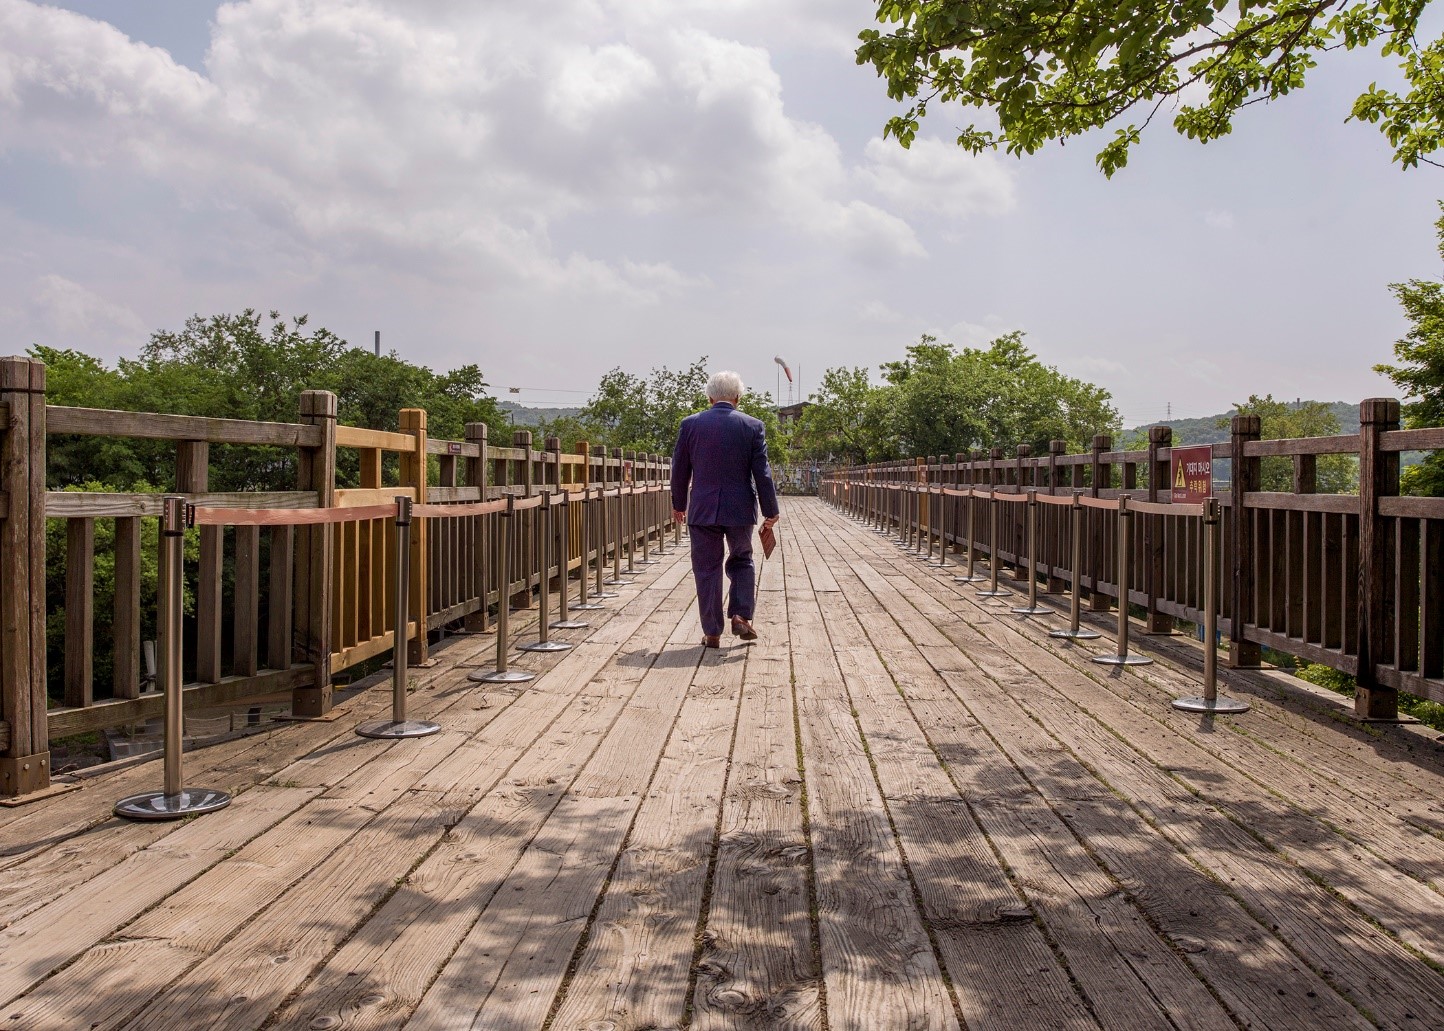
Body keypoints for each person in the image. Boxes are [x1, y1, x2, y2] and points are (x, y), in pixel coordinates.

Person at [671, 370, 781, 648]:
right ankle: (741, 615)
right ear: (738, 398)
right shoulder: (752, 426)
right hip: (740, 508)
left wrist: (678, 505)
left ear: (709, 398)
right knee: (742, 559)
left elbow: (679, 469)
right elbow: (763, 473)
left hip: (702, 509)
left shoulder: (690, 425)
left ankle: (712, 632)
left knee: (706, 569)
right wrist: (770, 510)